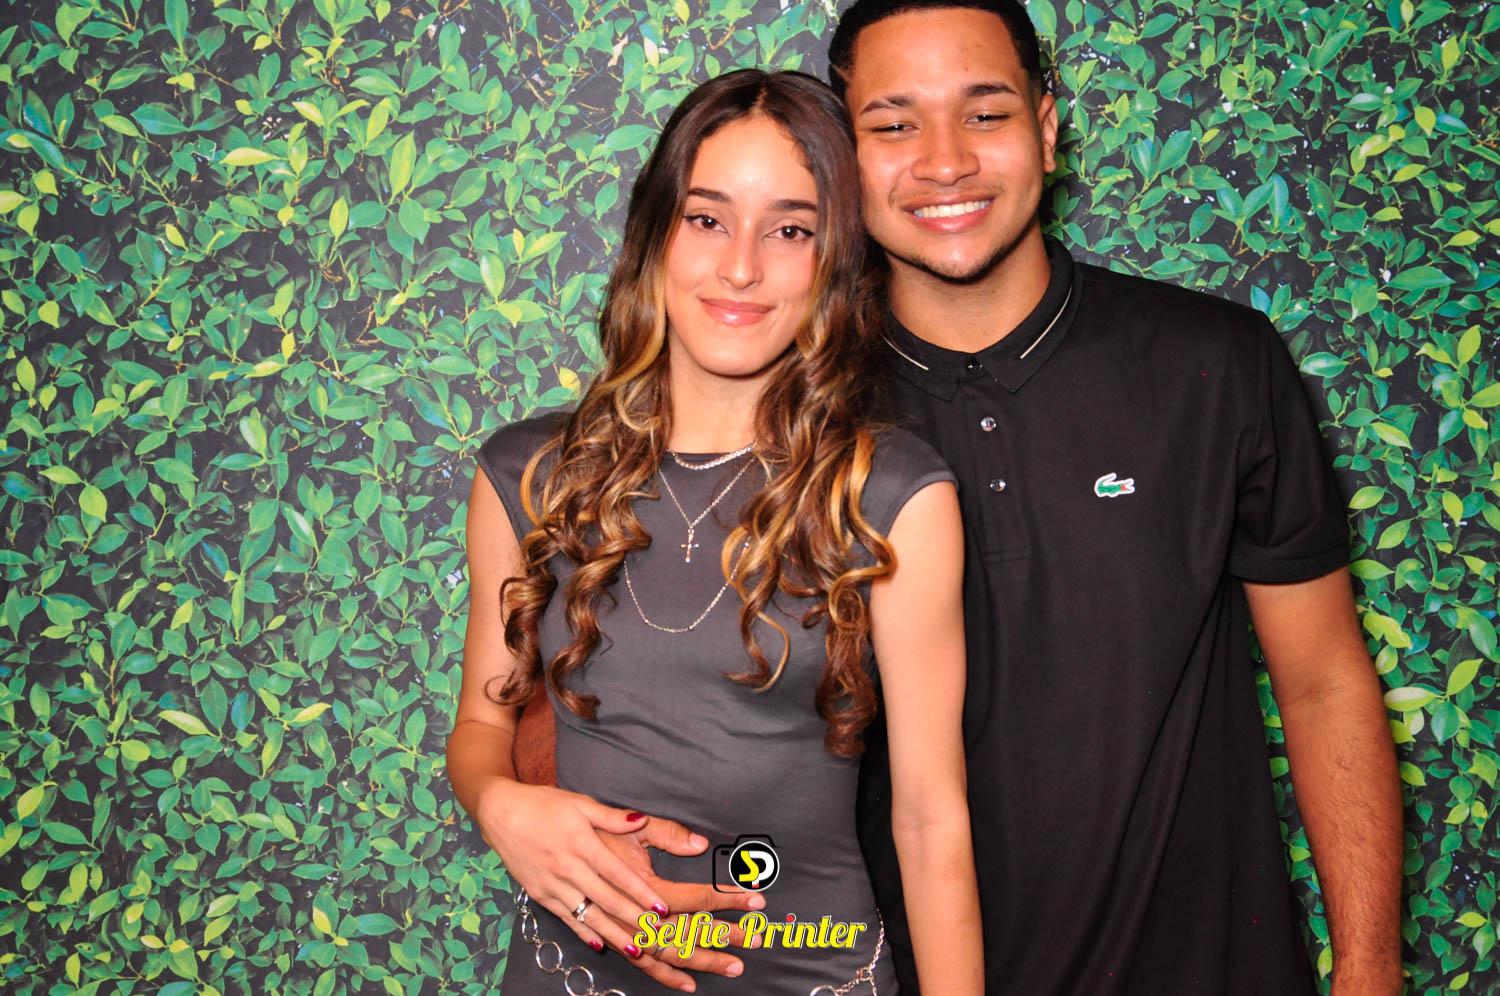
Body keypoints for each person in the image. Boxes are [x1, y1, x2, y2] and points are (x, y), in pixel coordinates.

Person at [508, 2, 1406, 994]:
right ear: (843, 164)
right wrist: (553, 826)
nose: (945, 162)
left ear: (1047, 128)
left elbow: (1324, 683)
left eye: (985, 114)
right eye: (894, 124)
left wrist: (1369, 970)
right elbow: (585, 677)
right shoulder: (780, 407)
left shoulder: (1215, 367)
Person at [447, 68, 983, 995]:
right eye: (706, 218)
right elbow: (480, 725)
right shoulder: (528, 474)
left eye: (790, 230)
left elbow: (932, 821)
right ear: (655, 233)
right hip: (567, 973)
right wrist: (501, 806)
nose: (741, 266)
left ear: (834, 260)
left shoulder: (890, 493)